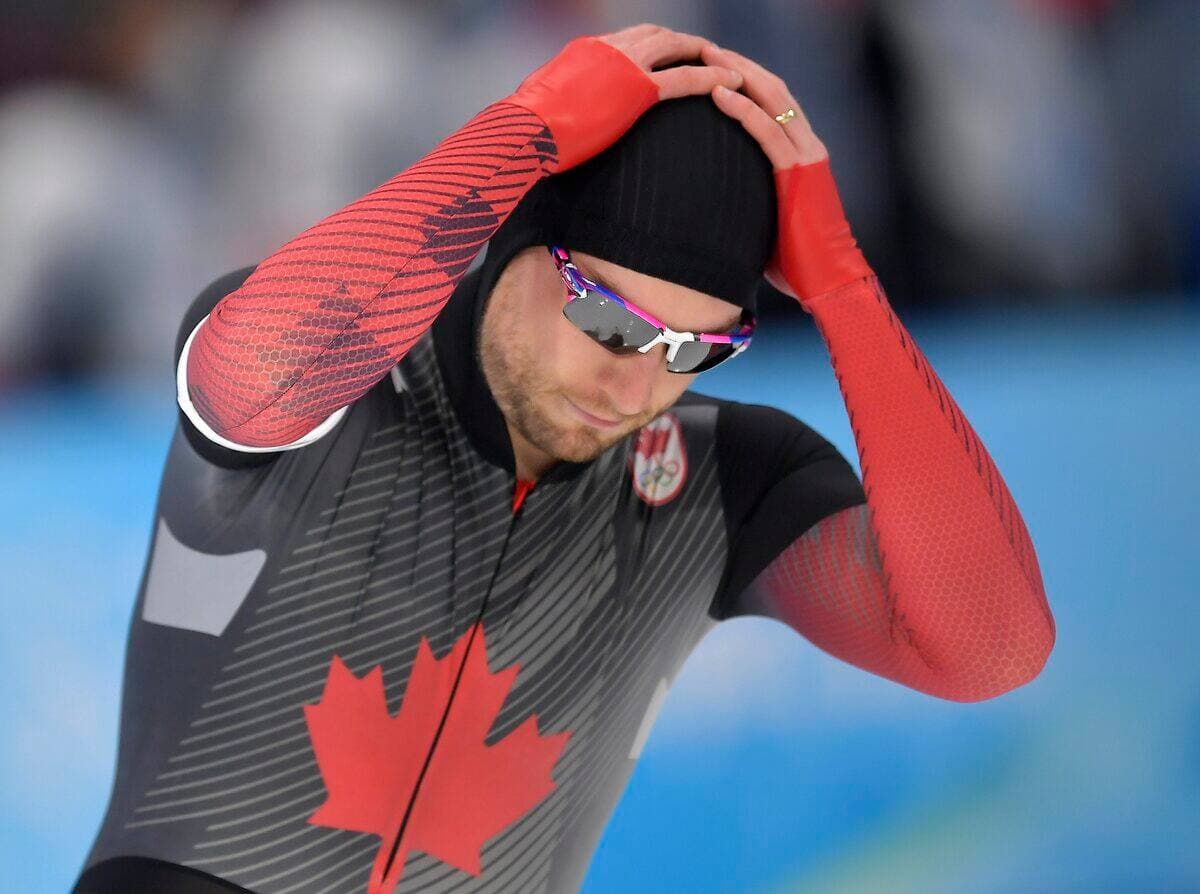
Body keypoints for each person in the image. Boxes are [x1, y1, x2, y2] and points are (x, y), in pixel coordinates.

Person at [73, 23, 1056, 894]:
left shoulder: (724, 483)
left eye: (695, 351)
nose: (635, 387)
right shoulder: (338, 369)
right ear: (520, 238)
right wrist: (523, 131)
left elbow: (990, 649)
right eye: (606, 318)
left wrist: (844, 287)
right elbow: (246, 376)